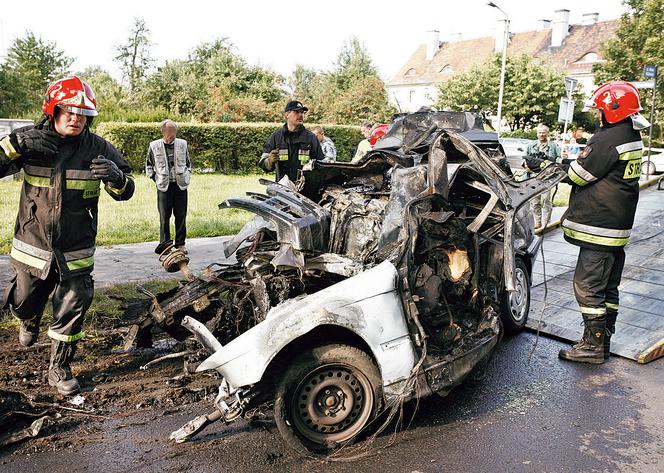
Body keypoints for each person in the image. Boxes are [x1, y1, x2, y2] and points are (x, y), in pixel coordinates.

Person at [0, 76, 135, 395]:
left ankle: (59, 368)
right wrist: (14, 147)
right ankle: (28, 317)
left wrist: (117, 179)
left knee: (75, 303)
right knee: (23, 302)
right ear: (54, 110)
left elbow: (126, 189)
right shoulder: (29, 141)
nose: (76, 118)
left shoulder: (99, 147)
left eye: (82, 113)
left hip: (76, 250)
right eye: (69, 110)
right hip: (32, 247)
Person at [545, 81, 648, 364]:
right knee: (607, 289)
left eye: (599, 109)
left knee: (587, 287)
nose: (596, 115)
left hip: (600, 230)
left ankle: (592, 346)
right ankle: (603, 341)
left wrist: (558, 168)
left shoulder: (609, 138)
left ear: (612, 110)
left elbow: (579, 175)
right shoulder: (631, 135)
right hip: (617, 228)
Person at [146, 120, 192, 252]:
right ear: (163, 132)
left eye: (174, 132)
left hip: (180, 186)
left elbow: (189, 163)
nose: (173, 135)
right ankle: (165, 245)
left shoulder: (182, 144)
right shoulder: (154, 146)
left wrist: (187, 175)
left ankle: (180, 244)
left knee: (181, 215)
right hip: (163, 187)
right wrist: (155, 178)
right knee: (164, 217)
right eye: (170, 133)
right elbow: (149, 165)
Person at [260, 100, 324, 182]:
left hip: (305, 188)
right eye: (297, 112)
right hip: (282, 189)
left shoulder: (311, 138)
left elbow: (321, 165)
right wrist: (270, 161)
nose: (301, 115)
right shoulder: (276, 137)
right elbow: (262, 163)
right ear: (287, 115)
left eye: (302, 112)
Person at [524, 124, 561, 229]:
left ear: (547, 133)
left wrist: (554, 167)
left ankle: (546, 223)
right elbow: (525, 158)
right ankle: (537, 222)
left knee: (546, 200)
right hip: (534, 177)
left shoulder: (553, 146)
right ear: (537, 134)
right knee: (534, 201)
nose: (541, 134)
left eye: (543, 132)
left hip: (548, 177)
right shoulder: (531, 145)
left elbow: (559, 159)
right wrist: (526, 166)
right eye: (539, 132)